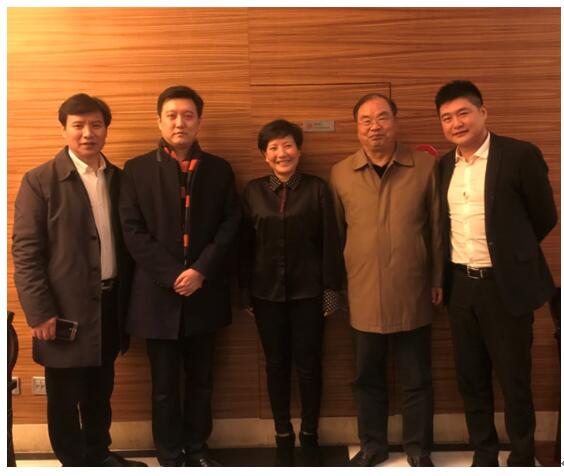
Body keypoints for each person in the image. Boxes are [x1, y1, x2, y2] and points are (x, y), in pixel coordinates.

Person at [12, 93, 145, 467]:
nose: (88, 133)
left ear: (106, 129)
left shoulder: (119, 179)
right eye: (78, 125)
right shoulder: (40, 180)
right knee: (64, 396)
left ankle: (99, 455)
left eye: (96, 125)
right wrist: (40, 312)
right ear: (64, 130)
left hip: (110, 303)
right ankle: (73, 463)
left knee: (101, 390)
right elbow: (26, 253)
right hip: (63, 309)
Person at [435, 80, 557, 467]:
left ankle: (522, 456)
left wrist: (510, 256)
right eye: (447, 118)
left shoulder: (519, 155)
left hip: (505, 288)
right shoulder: (444, 165)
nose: (456, 123)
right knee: (471, 378)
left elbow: (544, 216)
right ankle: (484, 454)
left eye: (463, 113)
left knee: (514, 378)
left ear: (483, 112)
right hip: (461, 288)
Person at [119, 85, 240, 467]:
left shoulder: (219, 169)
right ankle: (170, 456)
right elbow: (132, 231)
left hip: (205, 292)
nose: (180, 123)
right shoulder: (136, 169)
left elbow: (231, 224)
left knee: (202, 382)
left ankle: (198, 449)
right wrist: (174, 275)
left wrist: (201, 270)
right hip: (158, 297)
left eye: (188, 115)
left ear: (199, 121)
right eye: (171, 115)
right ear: (158, 121)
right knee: (164, 386)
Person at [330, 93, 442, 467]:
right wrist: (339, 288)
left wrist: (438, 279)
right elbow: (336, 234)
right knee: (366, 378)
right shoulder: (341, 172)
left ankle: (418, 448)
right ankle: (373, 445)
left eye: (382, 117)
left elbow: (438, 229)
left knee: (417, 377)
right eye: (366, 120)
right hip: (362, 291)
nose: (374, 126)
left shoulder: (424, 166)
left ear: (395, 121)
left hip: (413, 288)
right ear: (357, 127)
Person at [239, 119, 342, 466]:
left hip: (309, 294)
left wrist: (331, 290)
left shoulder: (317, 189)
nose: (281, 153)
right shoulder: (253, 192)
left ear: (299, 150)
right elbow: (244, 246)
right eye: (273, 147)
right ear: (264, 155)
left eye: (287, 145)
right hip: (265, 295)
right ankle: (282, 432)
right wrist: (245, 293)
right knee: (276, 366)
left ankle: (310, 433)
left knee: (310, 366)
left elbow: (330, 242)